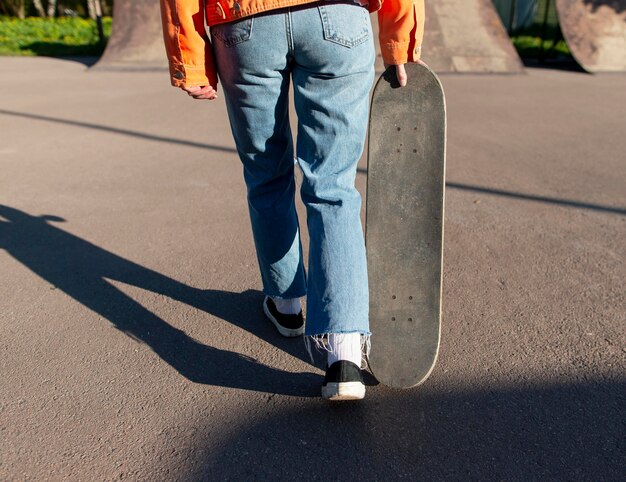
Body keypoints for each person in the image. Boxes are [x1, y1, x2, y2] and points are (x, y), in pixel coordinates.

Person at [160, 0, 425, 400]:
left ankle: (287, 305)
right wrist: (401, 43)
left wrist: (190, 60)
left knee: (266, 175)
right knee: (333, 185)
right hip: (338, 20)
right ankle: (344, 353)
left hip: (245, 24)